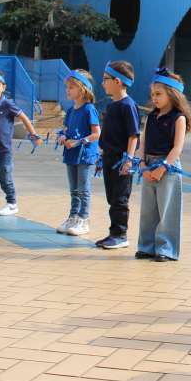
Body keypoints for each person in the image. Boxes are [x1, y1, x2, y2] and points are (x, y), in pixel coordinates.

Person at [136, 69, 191, 262]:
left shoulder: (179, 118)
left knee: (167, 210)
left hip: (168, 167)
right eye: (152, 94)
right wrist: (142, 164)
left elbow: (177, 148)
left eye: (158, 94)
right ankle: (146, 247)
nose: (154, 98)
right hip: (148, 164)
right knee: (148, 210)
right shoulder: (151, 117)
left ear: (172, 94)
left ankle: (166, 249)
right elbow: (143, 143)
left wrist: (162, 168)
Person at [0, 69, 42, 217]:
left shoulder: (7, 104)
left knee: (5, 178)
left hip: (3, 151)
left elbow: (24, 117)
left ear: (3, 87)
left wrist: (33, 135)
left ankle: (12, 204)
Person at [95, 61, 141, 249]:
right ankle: (113, 233)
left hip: (121, 160)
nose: (102, 83)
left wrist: (128, 160)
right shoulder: (112, 105)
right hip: (109, 158)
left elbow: (133, 135)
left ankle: (121, 235)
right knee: (112, 197)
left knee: (120, 199)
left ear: (117, 81)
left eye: (105, 79)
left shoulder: (128, 105)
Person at [58, 70, 100, 235]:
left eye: (71, 87)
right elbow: (66, 130)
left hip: (85, 156)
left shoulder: (89, 109)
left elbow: (96, 133)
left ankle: (84, 219)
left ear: (82, 89)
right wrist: (62, 136)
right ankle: (73, 216)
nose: (67, 90)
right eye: (67, 87)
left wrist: (79, 141)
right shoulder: (70, 111)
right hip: (71, 155)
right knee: (74, 190)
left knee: (83, 189)